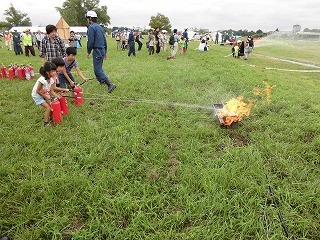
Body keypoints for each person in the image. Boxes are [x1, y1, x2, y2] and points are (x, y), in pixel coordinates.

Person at [86, 10, 116, 93]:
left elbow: (90, 41)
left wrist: (88, 51)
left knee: (97, 69)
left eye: (87, 18)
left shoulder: (91, 27)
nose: (87, 20)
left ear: (90, 19)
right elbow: (105, 40)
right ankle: (101, 81)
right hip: (102, 49)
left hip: (97, 50)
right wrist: (105, 51)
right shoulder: (100, 27)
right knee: (98, 67)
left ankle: (110, 84)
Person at [31, 62, 69, 127]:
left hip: (44, 95)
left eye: (55, 71)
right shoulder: (42, 80)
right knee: (48, 107)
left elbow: (51, 91)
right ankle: (45, 123)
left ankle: (51, 118)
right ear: (47, 72)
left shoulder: (51, 80)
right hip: (37, 96)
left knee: (51, 105)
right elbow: (37, 91)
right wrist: (45, 96)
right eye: (53, 71)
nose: (55, 73)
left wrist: (57, 96)